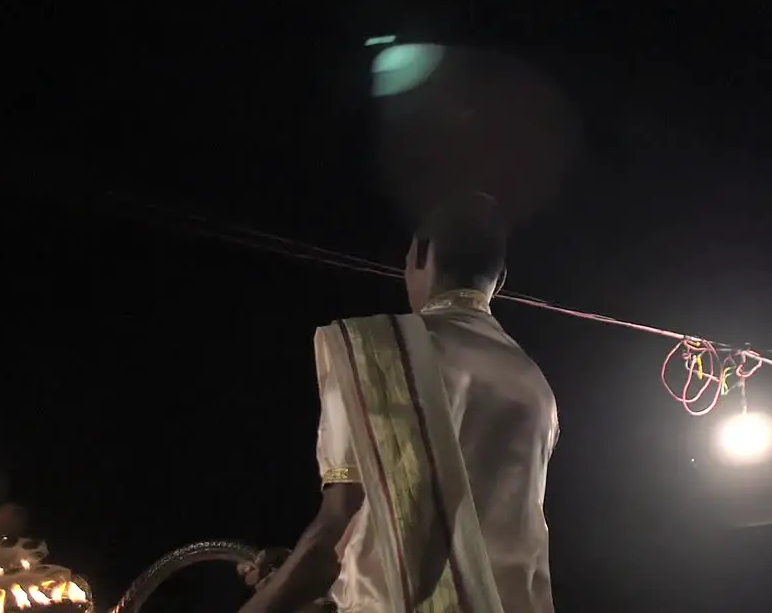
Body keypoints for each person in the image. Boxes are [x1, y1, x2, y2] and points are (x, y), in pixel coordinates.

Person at [237, 192, 559, 613]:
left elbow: (330, 536)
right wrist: (297, 565)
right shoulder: (537, 388)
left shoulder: (377, 352)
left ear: (420, 254)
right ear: (500, 280)